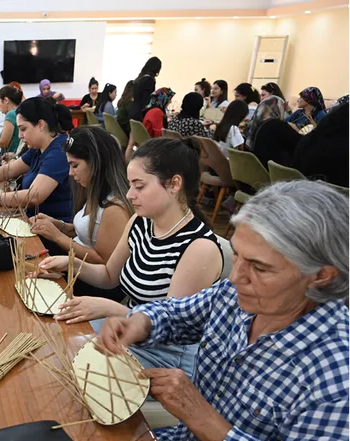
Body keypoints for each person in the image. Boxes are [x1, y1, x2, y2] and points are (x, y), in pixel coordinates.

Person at [98, 180, 350, 441]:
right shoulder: (239, 294)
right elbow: (176, 314)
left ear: (321, 276)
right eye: (238, 256)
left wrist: (202, 417)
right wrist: (138, 323)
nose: (235, 276)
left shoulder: (337, 371)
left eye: (259, 267)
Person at [37, 138, 223, 379]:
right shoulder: (141, 222)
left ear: (174, 184)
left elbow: (170, 325)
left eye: (139, 186)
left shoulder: (199, 248)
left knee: (68, 369)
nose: (129, 194)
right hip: (126, 328)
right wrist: (70, 262)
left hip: (168, 356)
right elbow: (109, 275)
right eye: (130, 185)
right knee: (53, 339)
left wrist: (110, 308)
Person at [29, 126, 133, 301]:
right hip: (77, 269)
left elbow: (104, 263)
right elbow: (89, 234)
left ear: (97, 163)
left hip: (94, 287)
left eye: (75, 165)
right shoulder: (94, 192)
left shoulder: (114, 208)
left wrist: (58, 237)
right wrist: (59, 225)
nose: (70, 173)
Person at [0, 97, 73, 228]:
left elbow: (34, 196)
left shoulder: (59, 152)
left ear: (41, 125)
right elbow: (9, 170)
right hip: (32, 220)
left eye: (23, 129)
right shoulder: (39, 147)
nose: (20, 136)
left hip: (51, 228)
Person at [293, 101, 350, 187]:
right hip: (327, 193)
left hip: (300, 191)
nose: (298, 100)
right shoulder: (341, 150)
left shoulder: (308, 140)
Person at [128, 56, 162, 121]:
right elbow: (146, 100)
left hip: (133, 110)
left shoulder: (139, 78)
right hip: (140, 114)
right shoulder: (149, 80)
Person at [0, 85, 24, 156]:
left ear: (6, 100)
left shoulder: (11, 114)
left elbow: (3, 143)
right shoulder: (19, 111)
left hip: (8, 157)